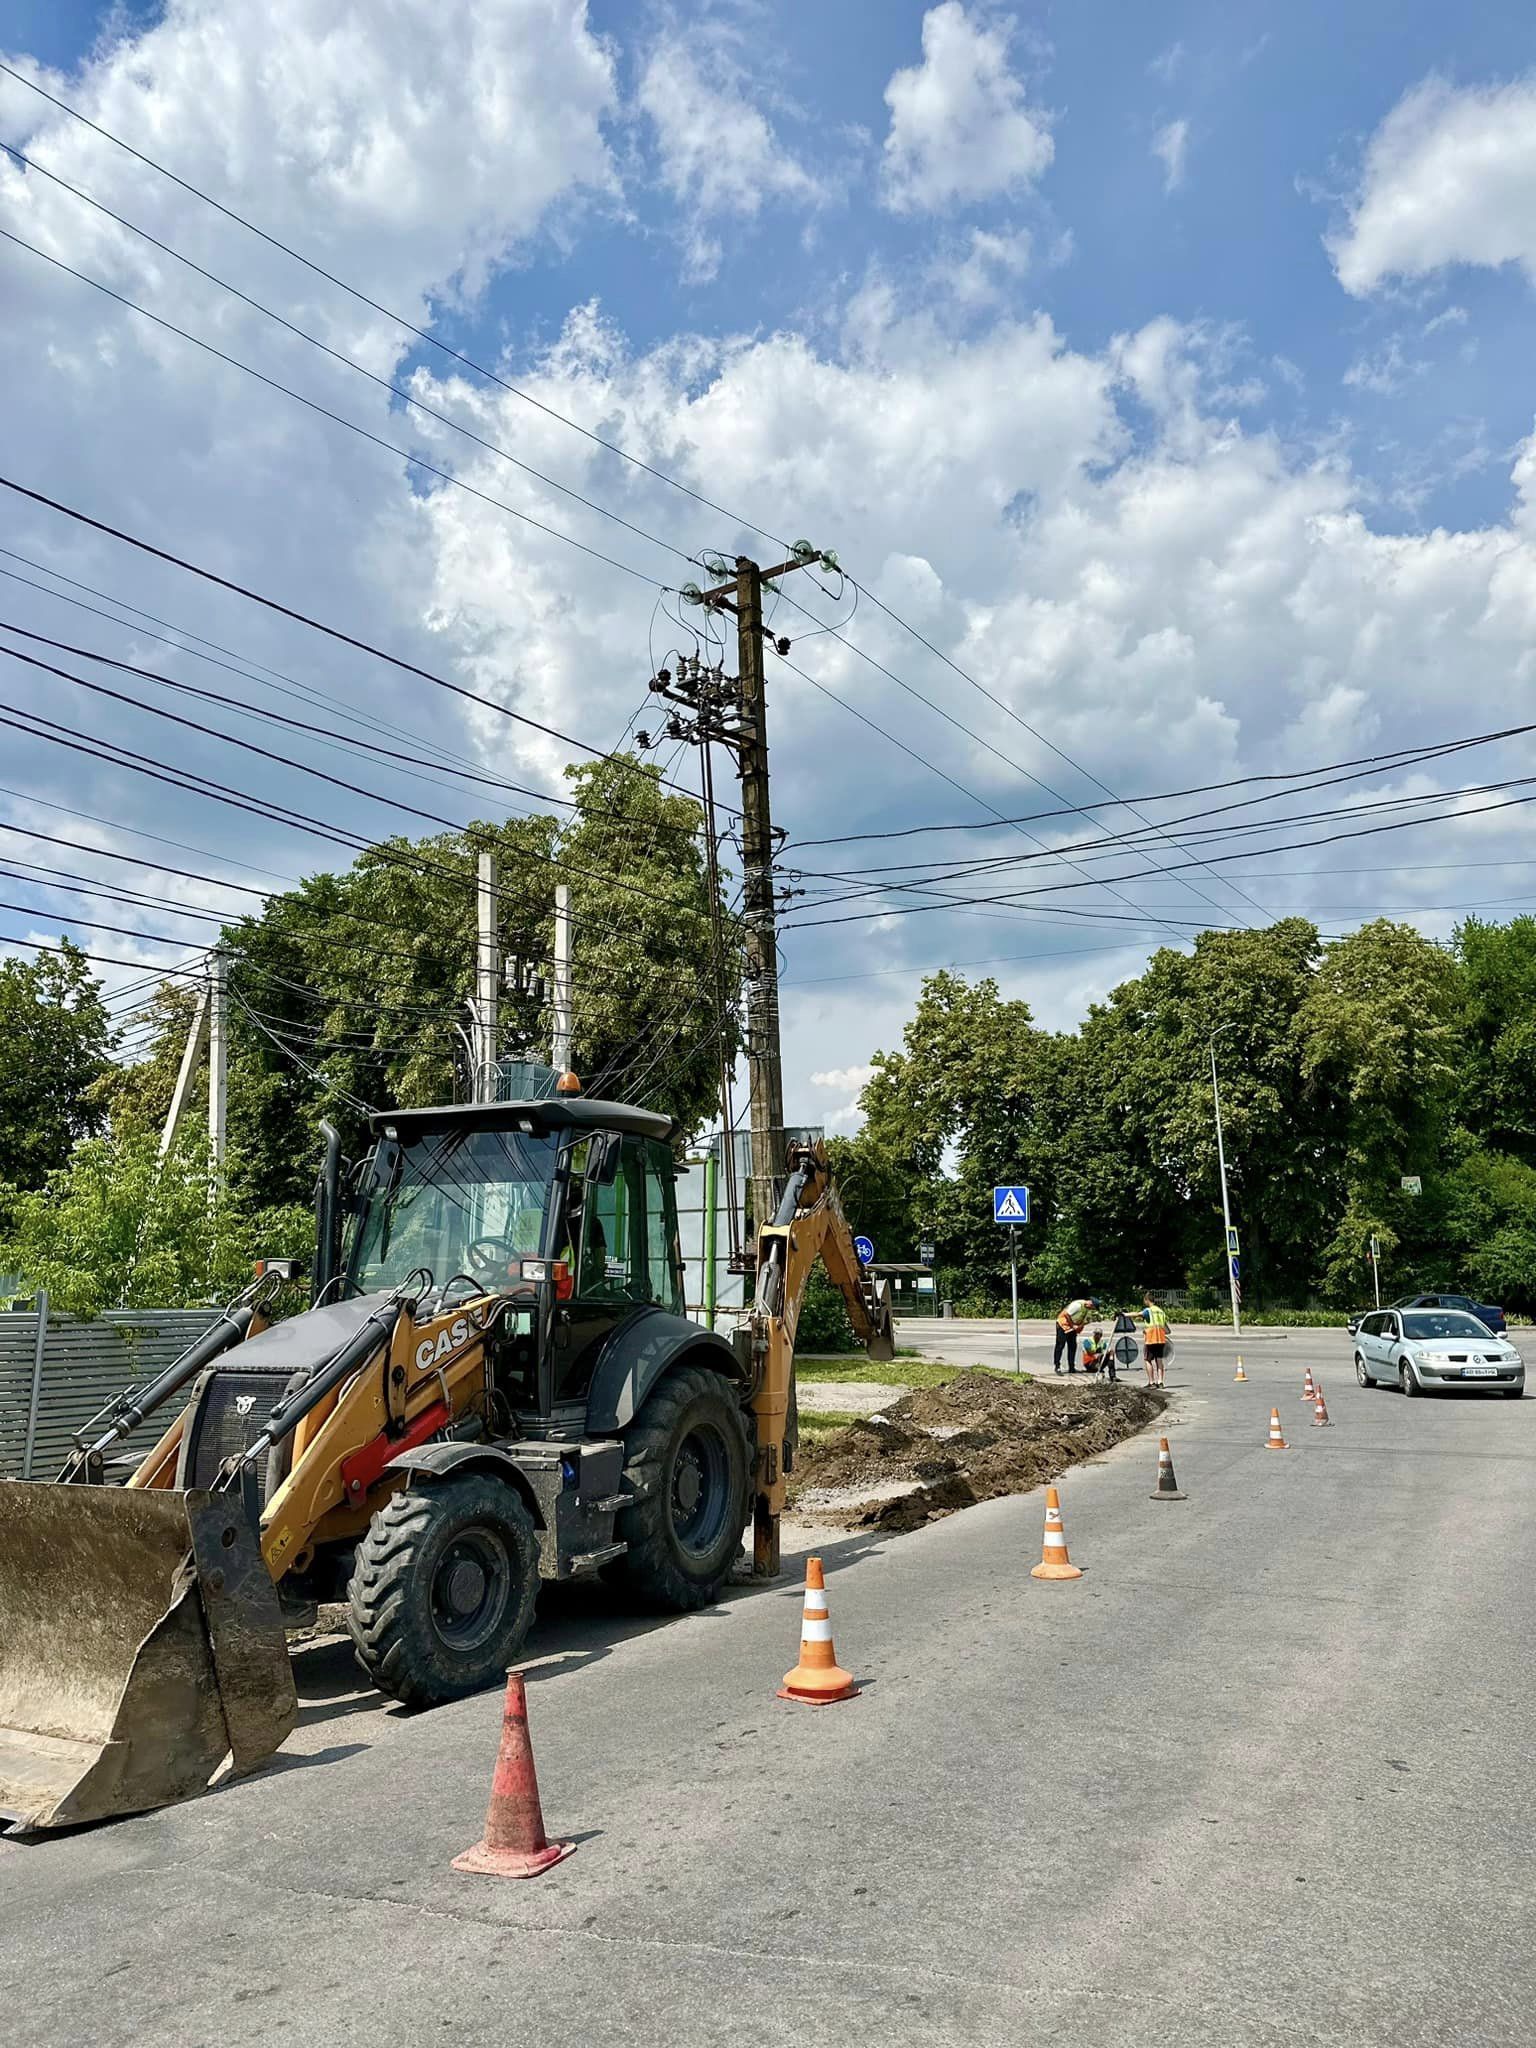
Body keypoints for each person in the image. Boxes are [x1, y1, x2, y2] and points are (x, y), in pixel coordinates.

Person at [1053, 1296, 1096, 1374]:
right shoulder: (1078, 1305)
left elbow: (1082, 1319)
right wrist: (1072, 1325)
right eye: (1093, 1307)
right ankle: (1057, 1366)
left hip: (1072, 1327)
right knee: (1060, 1345)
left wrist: (1081, 1325)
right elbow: (1066, 1314)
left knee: (1072, 1346)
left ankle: (1071, 1367)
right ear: (1090, 1303)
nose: (1092, 1309)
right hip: (1063, 1325)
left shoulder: (1087, 1309)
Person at [1140, 1293, 1170, 1386]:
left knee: (1148, 1360)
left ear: (1146, 1300)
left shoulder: (1148, 1310)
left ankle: (1151, 1382)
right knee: (1159, 1360)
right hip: (1160, 1339)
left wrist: (1124, 1314)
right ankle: (1160, 1382)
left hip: (1151, 1339)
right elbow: (1167, 1330)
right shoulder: (1161, 1311)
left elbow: (1137, 1314)